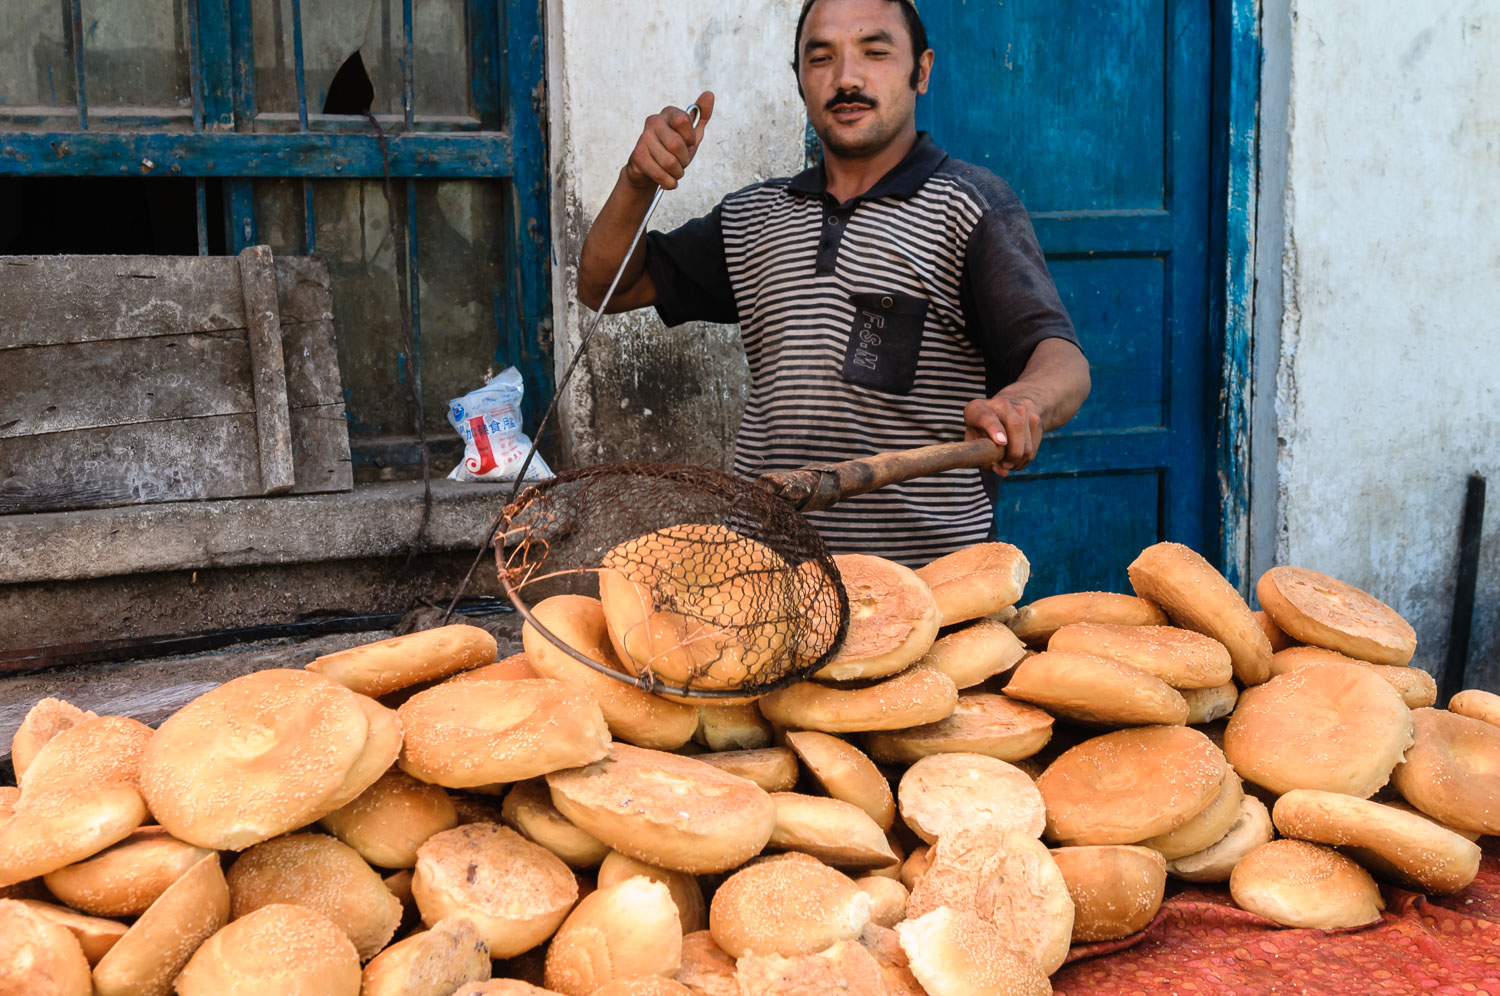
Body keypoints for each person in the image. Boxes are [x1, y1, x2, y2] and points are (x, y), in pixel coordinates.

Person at [577, 0, 1091, 566]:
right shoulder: (754, 218)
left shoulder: (969, 207)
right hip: (766, 579)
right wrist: (636, 182)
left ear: (922, 69)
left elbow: (1062, 359)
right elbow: (606, 287)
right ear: (798, 79)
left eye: (875, 51)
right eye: (820, 58)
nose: (846, 78)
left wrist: (1022, 402)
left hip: (929, 588)